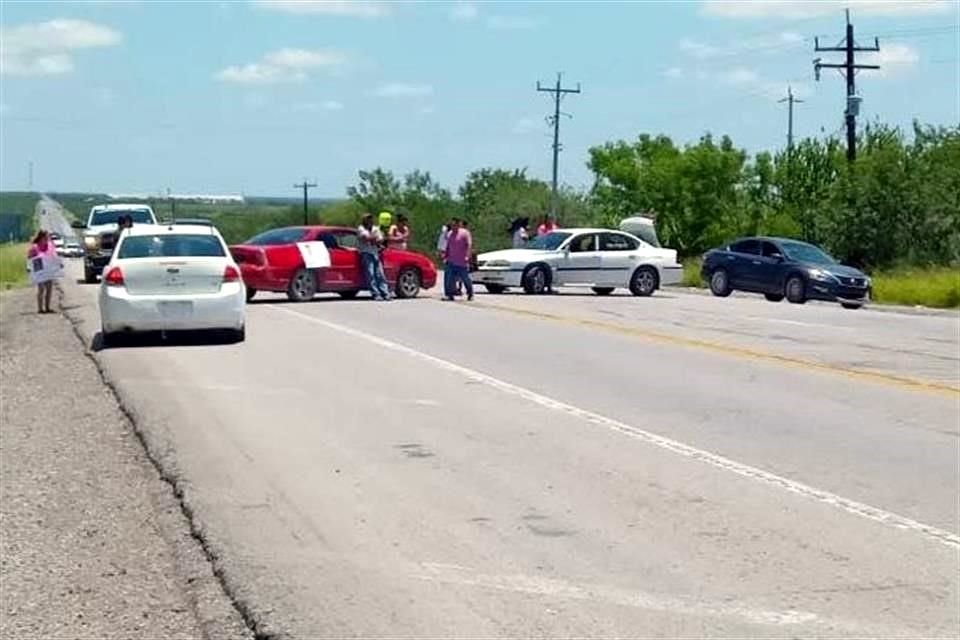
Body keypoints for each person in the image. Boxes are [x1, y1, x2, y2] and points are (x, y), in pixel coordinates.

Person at [27, 230, 61, 314]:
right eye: (45, 237)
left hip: (48, 270)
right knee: (41, 289)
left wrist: (59, 264)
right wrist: (28, 267)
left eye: (47, 237)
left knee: (49, 289)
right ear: (41, 237)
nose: (47, 239)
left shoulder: (50, 246)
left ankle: (47, 307)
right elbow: (29, 258)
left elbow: (54, 256)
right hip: (39, 270)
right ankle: (40, 308)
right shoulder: (35, 247)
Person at [358, 213, 390, 301]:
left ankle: (385, 293)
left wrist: (375, 239)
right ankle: (376, 294)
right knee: (371, 274)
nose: (370, 220)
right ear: (364, 220)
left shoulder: (375, 228)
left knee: (380, 274)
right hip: (366, 253)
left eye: (371, 218)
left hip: (375, 253)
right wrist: (374, 238)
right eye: (367, 219)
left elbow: (380, 239)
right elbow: (366, 238)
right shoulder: (361, 228)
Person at [443, 217, 474, 302]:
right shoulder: (449, 234)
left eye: (455, 225)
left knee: (465, 279)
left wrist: (467, 256)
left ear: (459, 224)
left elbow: (469, 245)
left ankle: (470, 293)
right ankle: (450, 295)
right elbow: (448, 246)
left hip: (462, 262)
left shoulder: (465, 233)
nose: (453, 227)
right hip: (451, 260)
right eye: (452, 225)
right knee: (450, 279)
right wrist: (445, 255)